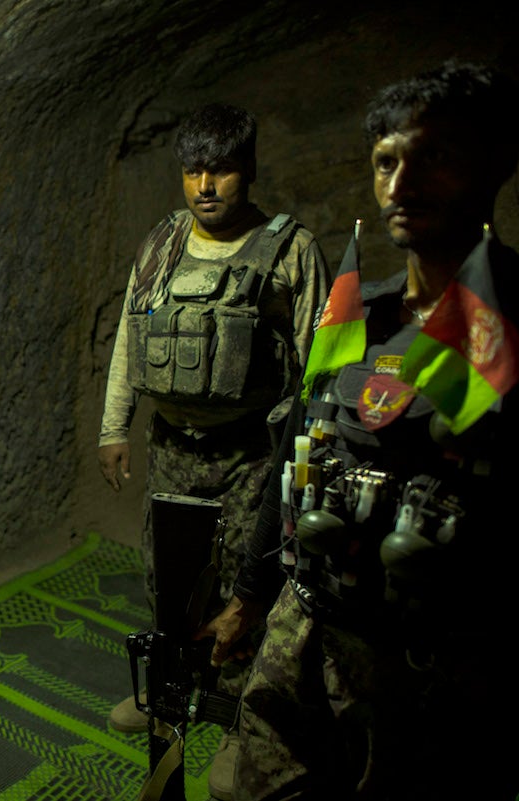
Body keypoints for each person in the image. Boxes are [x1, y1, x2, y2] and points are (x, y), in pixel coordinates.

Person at [201, 59, 519, 800]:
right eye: (385, 162)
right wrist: (249, 598)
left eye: (432, 156)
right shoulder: (356, 321)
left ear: (497, 164)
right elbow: (292, 463)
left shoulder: (506, 333)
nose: (401, 185)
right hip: (304, 635)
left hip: (434, 675)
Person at [97, 103, 330, 800]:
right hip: (171, 448)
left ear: (248, 170)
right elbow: (129, 339)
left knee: (243, 593)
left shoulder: (289, 251)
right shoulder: (163, 245)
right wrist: (115, 426)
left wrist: (306, 461)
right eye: (193, 169)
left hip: (250, 455)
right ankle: (167, 697)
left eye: (220, 169)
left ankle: (238, 722)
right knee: (167, 579)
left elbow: (318, 367)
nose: (205, 184)